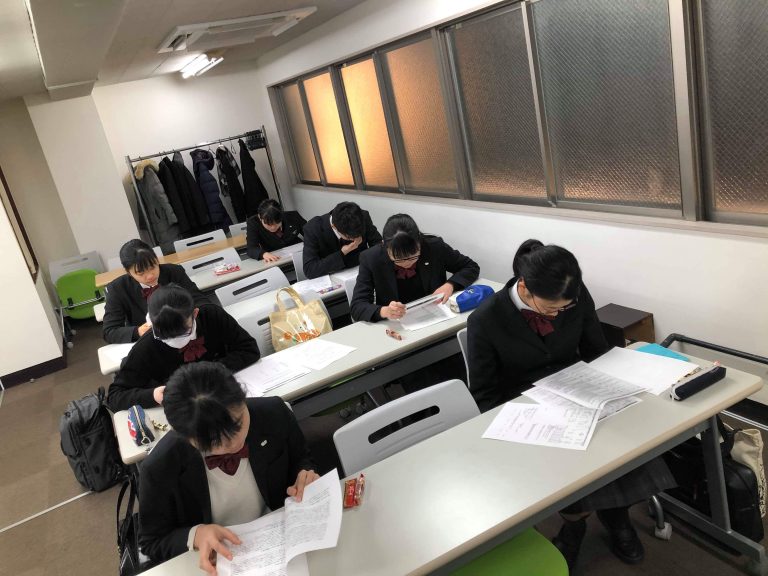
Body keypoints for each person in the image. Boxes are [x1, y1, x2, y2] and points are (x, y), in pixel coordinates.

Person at [467, 239, 675, 569]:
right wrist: (527, 420)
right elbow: (485, 396)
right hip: (527, 405)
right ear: (524, 287)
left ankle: (616, 515)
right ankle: (575, 524)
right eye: (551, 308)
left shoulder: (574, 296)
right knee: (573, 460)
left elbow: (596, 351)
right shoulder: (485, 319)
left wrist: (615, 387)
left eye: (564, 308)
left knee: (624, 440)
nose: (558, 314)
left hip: (577, 387)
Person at [139, 362, 319, 572]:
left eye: (239, 423)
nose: (235, 444)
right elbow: (151, 541)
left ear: (243, 399)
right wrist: (196, 535)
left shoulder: (274, 412)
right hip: (220, 559)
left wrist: (305, 476)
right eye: (214, 442)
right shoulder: (160, 466)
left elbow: (301, 458)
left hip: (283, 536)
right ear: (185, 436)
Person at [107, 284, 260, 411]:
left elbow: (249, 349)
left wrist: (215, 370)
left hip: (225, 394)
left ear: (195, 313)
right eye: (165, 336)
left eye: (184, 332)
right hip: (185, 410)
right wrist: (153, 395)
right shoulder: (146, 346)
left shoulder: (212, 316)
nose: (176, 340)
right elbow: (115, 397)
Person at [350, 213, 479, 322]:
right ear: (384, 246)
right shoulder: (371, 258)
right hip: (396, 324)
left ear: (419, 241)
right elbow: (357, 306)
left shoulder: (434, 247)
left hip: (438, 316)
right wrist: (384, 311)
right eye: (398, 259)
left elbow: (470, 266)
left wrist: (450, 285)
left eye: (413, 256)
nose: (407, 263)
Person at [102, 239, 209, 344]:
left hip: (185, 333)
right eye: (141, 273)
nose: (150, 276)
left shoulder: (174, 272)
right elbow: (109, 331)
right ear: (129, 272)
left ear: (157, 259)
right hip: (150, 342)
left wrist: (189, 318)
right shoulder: (117, 289)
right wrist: (138, 331)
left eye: (152, 267)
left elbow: (201, 301)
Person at [302, 201, 381, 279]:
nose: (355, 239)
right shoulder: (313, 229)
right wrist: (342, 253)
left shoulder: (362, 217)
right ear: (334, 227)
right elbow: (310, 270)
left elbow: (378, 245)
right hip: (334, 278)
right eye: (349, 237)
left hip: (362, 272)